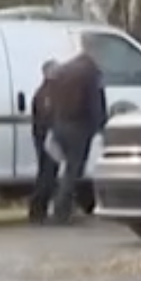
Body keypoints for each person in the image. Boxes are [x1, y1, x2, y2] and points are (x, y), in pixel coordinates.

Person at [42, 50, 108, 225]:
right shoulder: (90, 73)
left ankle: (62, 207)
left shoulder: (65, 71)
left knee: (68, 169)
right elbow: (95, 102)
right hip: (78, 126)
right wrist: (99, 126)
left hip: (60, 124)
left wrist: (54, 123)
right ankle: (61, 211)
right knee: (73, 170)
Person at [24, 60, 61, 223]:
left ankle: (41, 210)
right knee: (47, 174)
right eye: (56, 70)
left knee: (48, 174)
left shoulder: (46, 92)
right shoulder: (47, 93)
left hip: (45, 136)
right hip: (47, 137)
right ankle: (37, 210)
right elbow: (47, 116)